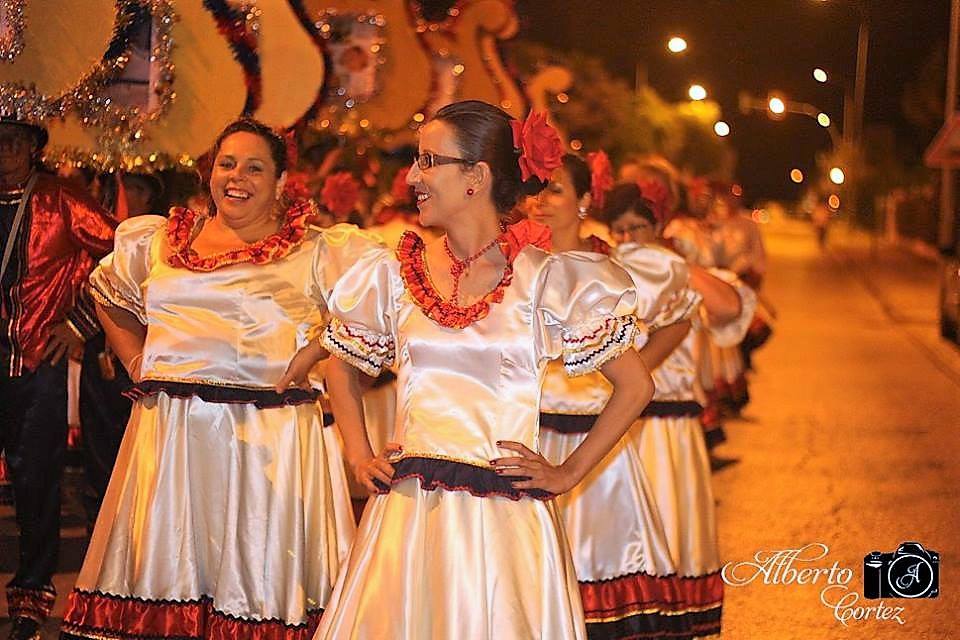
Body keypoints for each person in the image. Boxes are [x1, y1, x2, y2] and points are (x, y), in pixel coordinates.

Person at [313, 101, 654, 639]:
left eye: (429, 161)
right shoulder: (394, 273)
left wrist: (567, 473)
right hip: (407, 515)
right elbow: (340, 367)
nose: (412, 176)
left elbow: (635, 386)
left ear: (476, 176)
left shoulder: (545, 280)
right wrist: (358, 455)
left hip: (504, 521)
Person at [60, 118, 365, 640]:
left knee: (252, 586)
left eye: (254, 167)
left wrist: (317, 349)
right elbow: (107, 291)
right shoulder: (160, 241)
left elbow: (377, 311)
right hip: (173, 434)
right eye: (227, 163)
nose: (236, 177)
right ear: (210, 172)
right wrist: (136, 361)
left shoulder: (315, 250)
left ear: (281, 181)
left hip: (265, 440)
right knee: (170, 574)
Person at [533, 154, 713, 639]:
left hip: (594, 442)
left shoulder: (612, 267)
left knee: (599, 563)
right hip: (528, 436)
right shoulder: (515, 265)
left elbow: (679, 317)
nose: (540, 201)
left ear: (585, 200)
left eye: (554, 189)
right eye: (534, 188)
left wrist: (628, 374)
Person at [605, 182, 758, 638]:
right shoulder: (606, 273)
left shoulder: (674, 272)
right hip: (621, 423)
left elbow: (729, 307)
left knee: (672, 531)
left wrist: (671, 265)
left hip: (669, 427)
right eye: (619, 230)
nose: (629, 239)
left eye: (638, 228)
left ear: (658, 227)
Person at [0, 112, 116, 640]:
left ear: (34, 147)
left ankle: (30, 598)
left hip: (35, 366)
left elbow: (126, 256)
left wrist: (80, 322)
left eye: (15, 140)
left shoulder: (61, 199)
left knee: (35, 485)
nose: (5, 150)